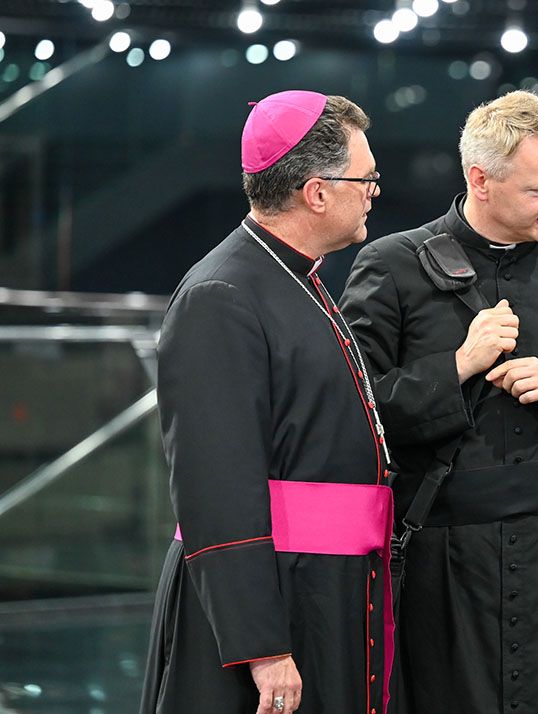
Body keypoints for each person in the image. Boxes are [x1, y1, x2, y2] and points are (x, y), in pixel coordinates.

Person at [339, 90, 538, 713]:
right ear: (480, 180)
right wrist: (456, 366)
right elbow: (355, 415)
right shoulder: (392, 265)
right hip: (438, 556)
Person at [141, 90, 394, 714]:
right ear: (316, 192)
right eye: (366, 178)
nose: (374, 191)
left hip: (318, 583)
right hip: (272, 604)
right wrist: (262, 646)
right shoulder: (222, 293)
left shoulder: (293, 275)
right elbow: (213, 483)